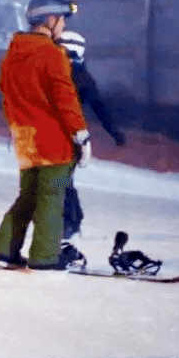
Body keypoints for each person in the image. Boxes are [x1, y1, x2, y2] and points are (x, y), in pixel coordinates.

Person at [0, 0, 91, 270]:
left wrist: (17, 126)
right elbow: (65, 98)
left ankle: (5, 250)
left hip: (23, 137)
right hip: (52, 139)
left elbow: (5, 91)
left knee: (28, 195)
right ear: (50, 20)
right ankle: (45, 256)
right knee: (51, 196)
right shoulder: (52, 53)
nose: (62, 28)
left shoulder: (13, 53)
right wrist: (80, 134)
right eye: (62, 21)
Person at [54, 30, 127, 265]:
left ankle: (67, 227)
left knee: (56, 183)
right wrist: (114, 132)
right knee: (61, 183)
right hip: (68, 137)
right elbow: (99, 106)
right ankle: (65, 230)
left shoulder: (52, 70)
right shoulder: (81, 76)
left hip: (50, 137)